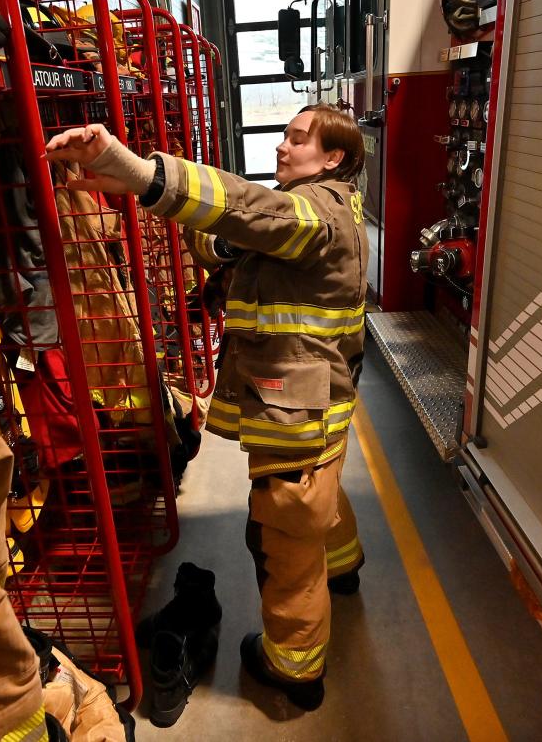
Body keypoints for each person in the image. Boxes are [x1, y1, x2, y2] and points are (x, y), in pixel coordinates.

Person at [45, 104, 368, 711]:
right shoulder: (331, 206)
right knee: (318, 491)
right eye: (284, 136)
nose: (281, 147)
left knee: (285, 533)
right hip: (322, 402)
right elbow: (239, 238)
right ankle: (345, 566)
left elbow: (256, 211)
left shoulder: (315, 212)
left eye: (297, 140)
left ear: (334, 158)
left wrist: (142, 175)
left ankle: (293, 669)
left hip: (296, 413)